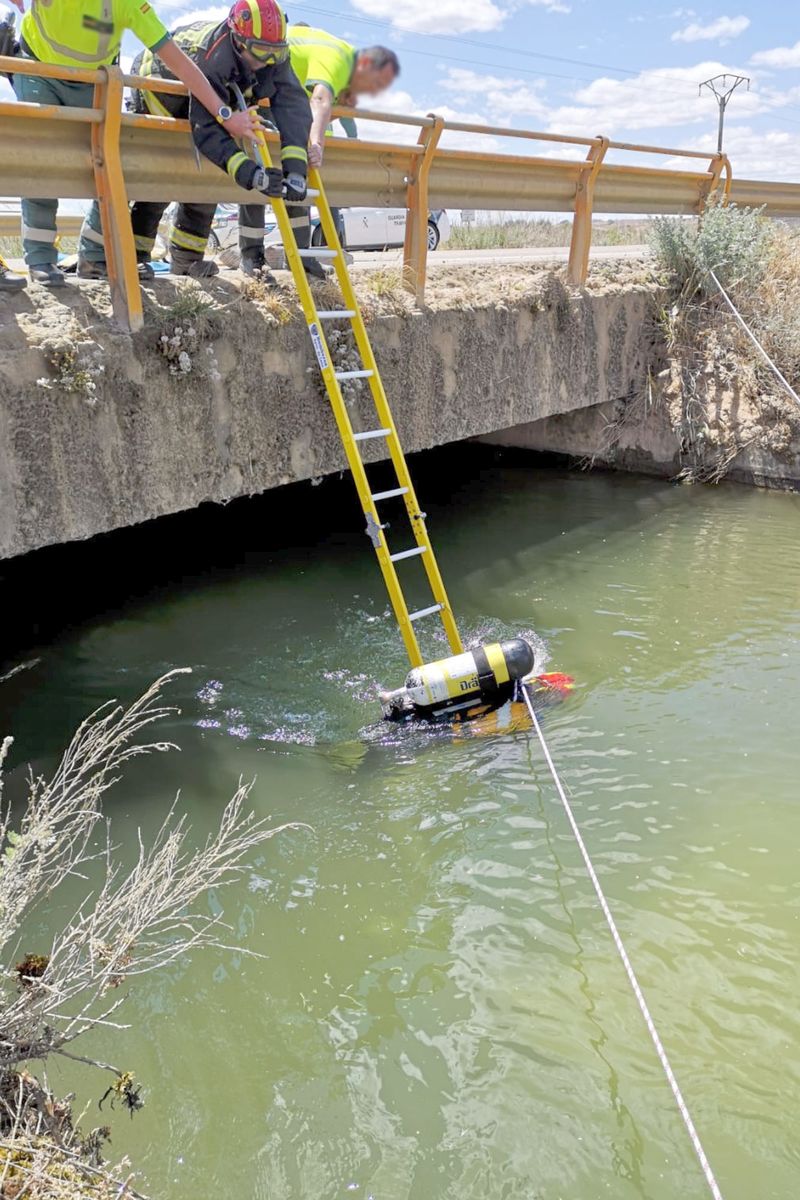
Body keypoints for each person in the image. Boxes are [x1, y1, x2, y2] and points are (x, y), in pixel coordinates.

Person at [6, 0, 256, 287]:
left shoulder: (129, 4)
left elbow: (180, 63)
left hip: (95, 80)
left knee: (113, 165)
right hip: (39, 69)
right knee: (42, 163)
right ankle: (40, 259)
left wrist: (224, 115)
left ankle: (95, 258)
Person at [128, 0, 311, 280]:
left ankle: (187, 261)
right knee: (163, 175)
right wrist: (251, 174)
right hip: (161, 88)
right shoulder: (215, 55)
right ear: (238, 39)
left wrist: (296, 170)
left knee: (208, 179)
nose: (267, 61)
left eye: (275, 52)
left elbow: (293, 105)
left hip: (214, 95)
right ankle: (135, 257)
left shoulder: (272, 51)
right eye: (260, 51)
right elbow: (206, 129)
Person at [255, 26, 400, 278]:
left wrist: (339, 110)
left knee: (296, 179)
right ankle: (253, 256)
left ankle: (300, 256)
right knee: (264, 173)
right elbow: (319, 100)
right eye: (373, 84)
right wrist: (316, 144)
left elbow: (323, 108)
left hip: (278, 94)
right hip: (260, 87)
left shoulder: (344, 63)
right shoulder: (338, 60)